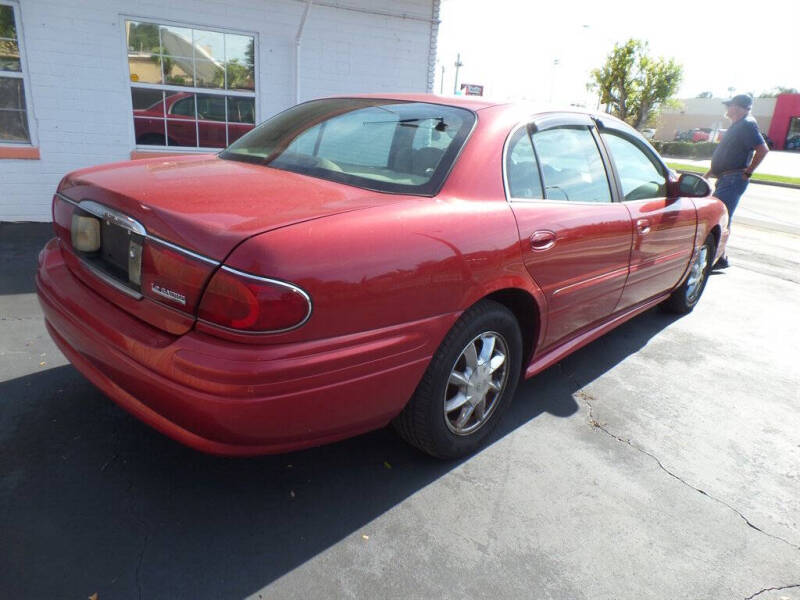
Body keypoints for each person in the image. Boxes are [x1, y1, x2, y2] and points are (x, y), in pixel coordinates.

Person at [703, 94, 769, 269]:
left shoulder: (747, 124)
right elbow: (728, 153)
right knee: (723, 218)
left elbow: (762, 149)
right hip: (726, 177)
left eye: (729, 105)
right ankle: (721, 258)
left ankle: (717, 258)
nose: (727, 109)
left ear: (738, 107)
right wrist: (709, 172)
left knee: (719, 217)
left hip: (733, 179)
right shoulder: (738, 125)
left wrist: (747, 173)